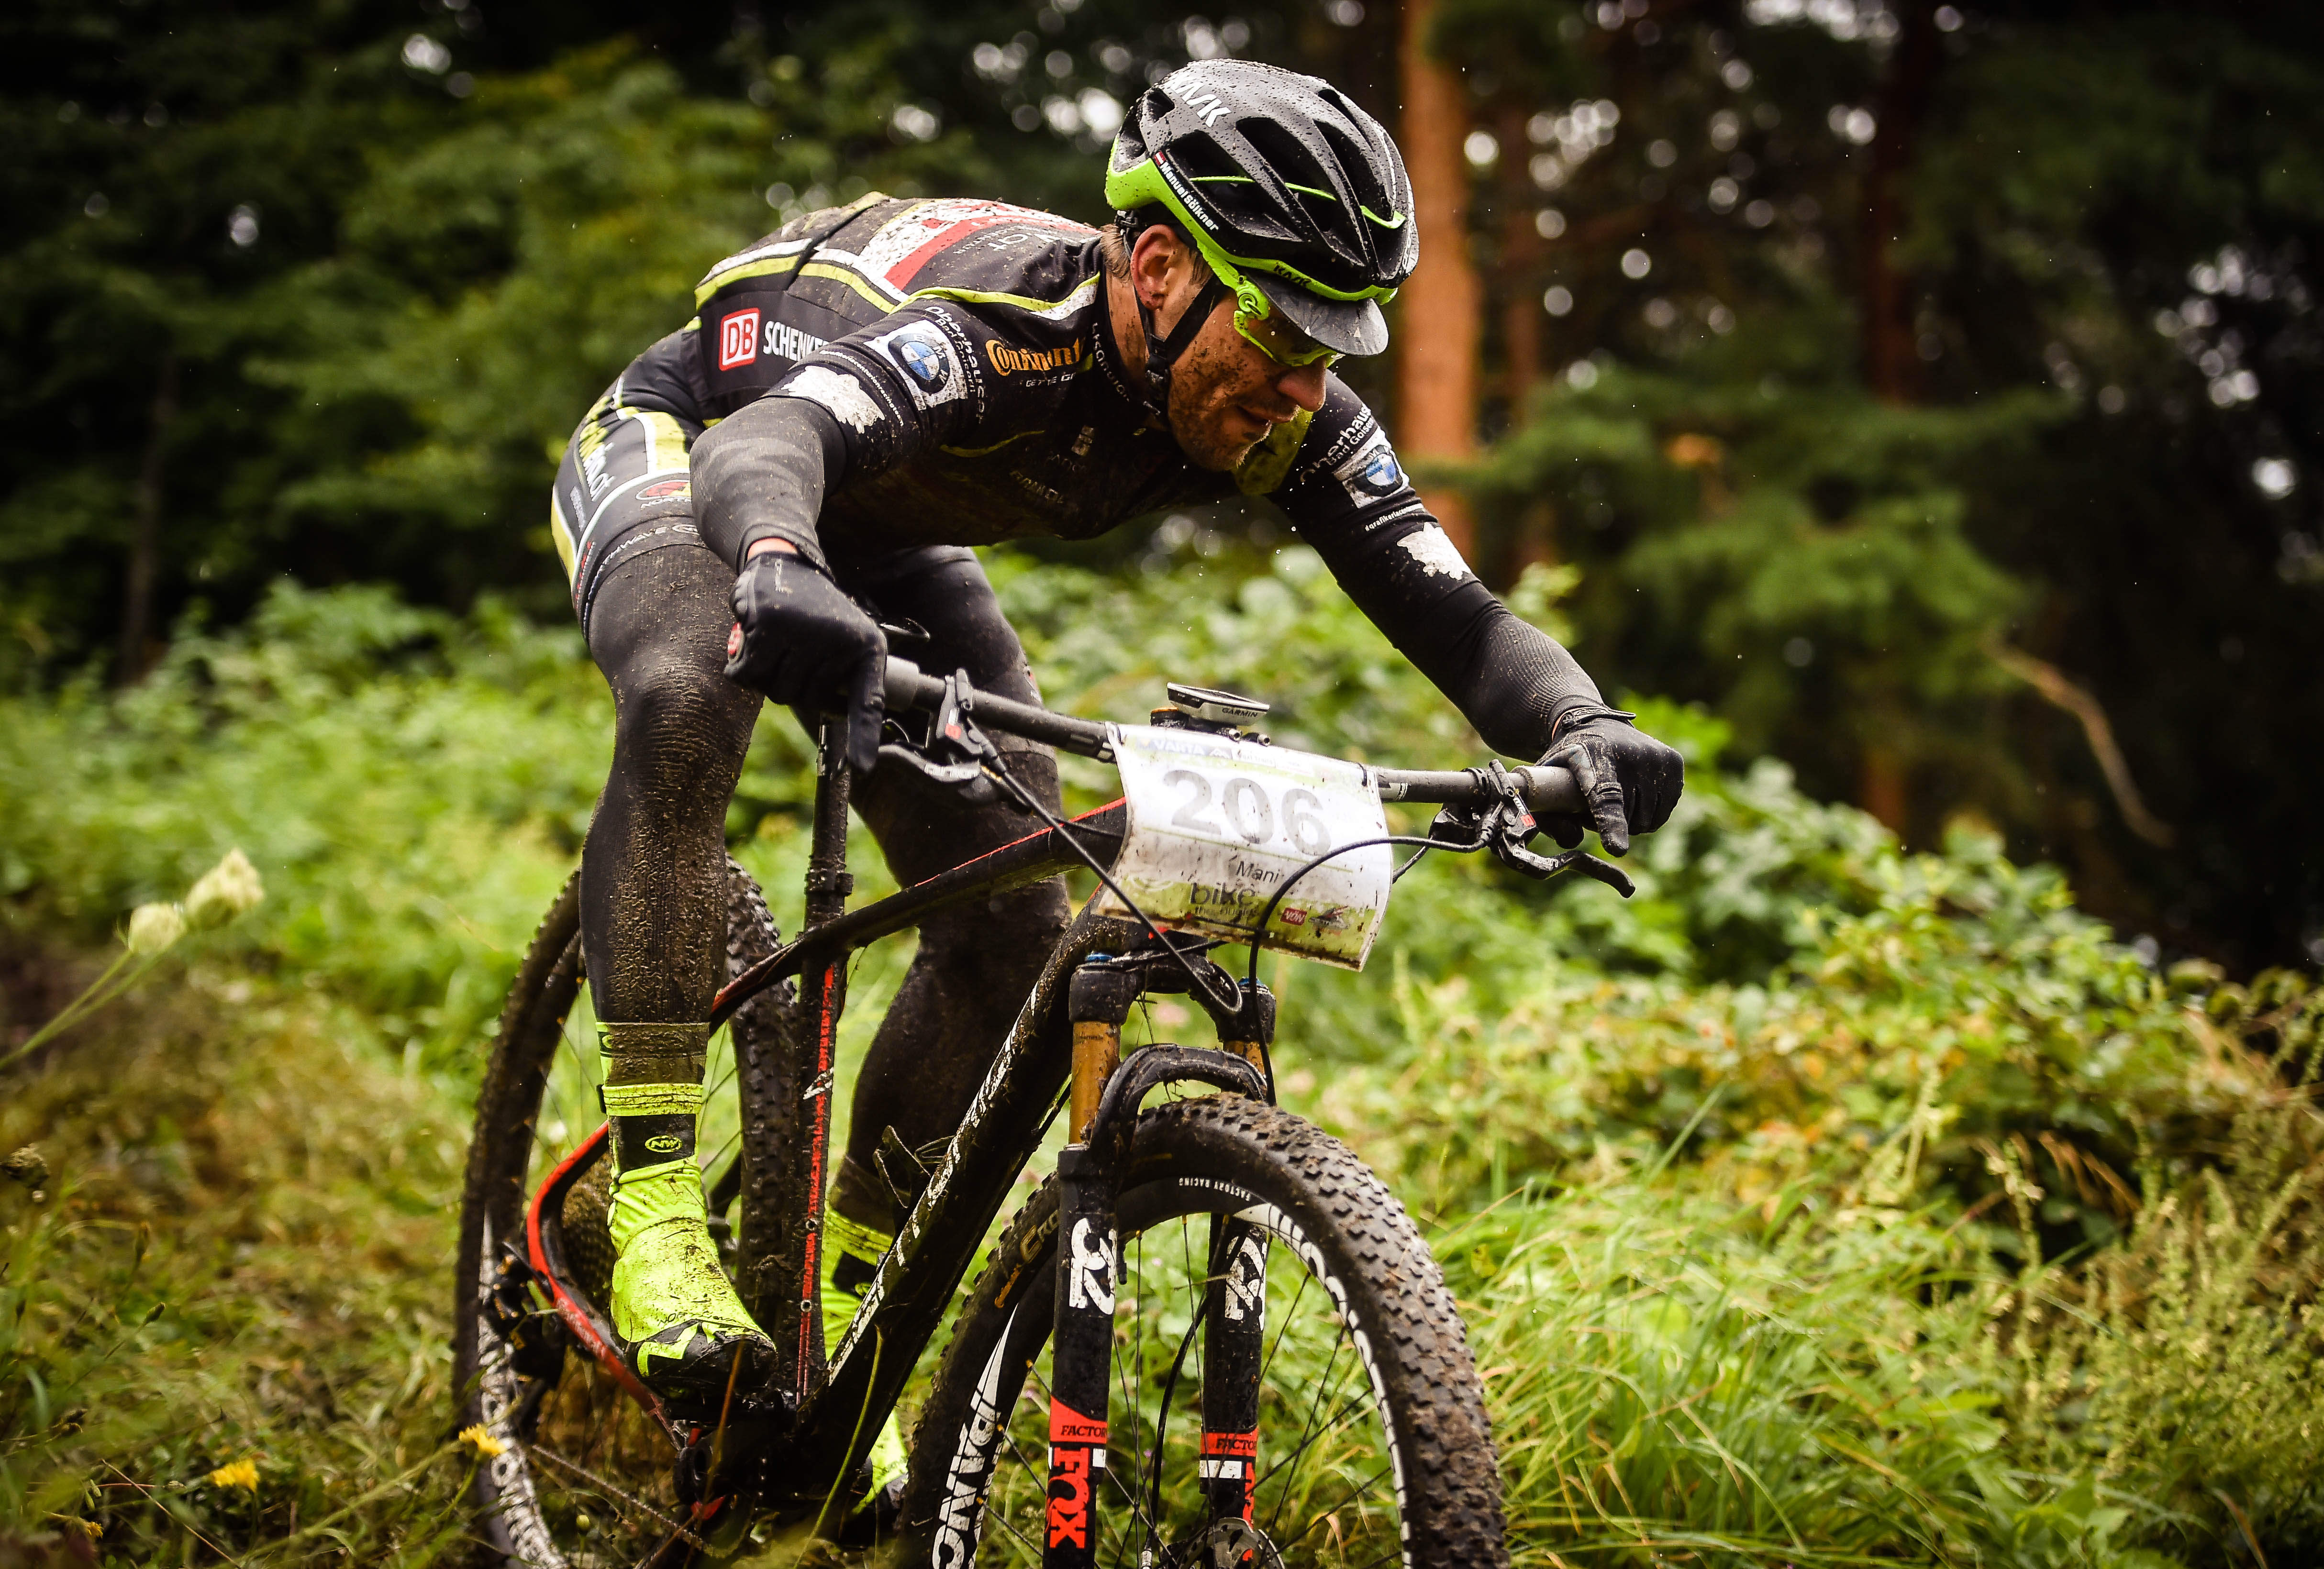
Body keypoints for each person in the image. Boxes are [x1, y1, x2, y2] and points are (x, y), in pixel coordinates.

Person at [547, 59, 1683, 1505]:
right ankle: (646, 1191)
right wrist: (775, 564)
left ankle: (836, 1299)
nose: (1300, 379)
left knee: (1013, 915)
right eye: (1278, 326)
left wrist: (1581, 727)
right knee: (687, 686)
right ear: (1156, 267)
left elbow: (1451, 612)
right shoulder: (1007, 330)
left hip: (889, 530)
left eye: (1336, 345)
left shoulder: (1287, 410)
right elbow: (775, 445)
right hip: (704, 446)